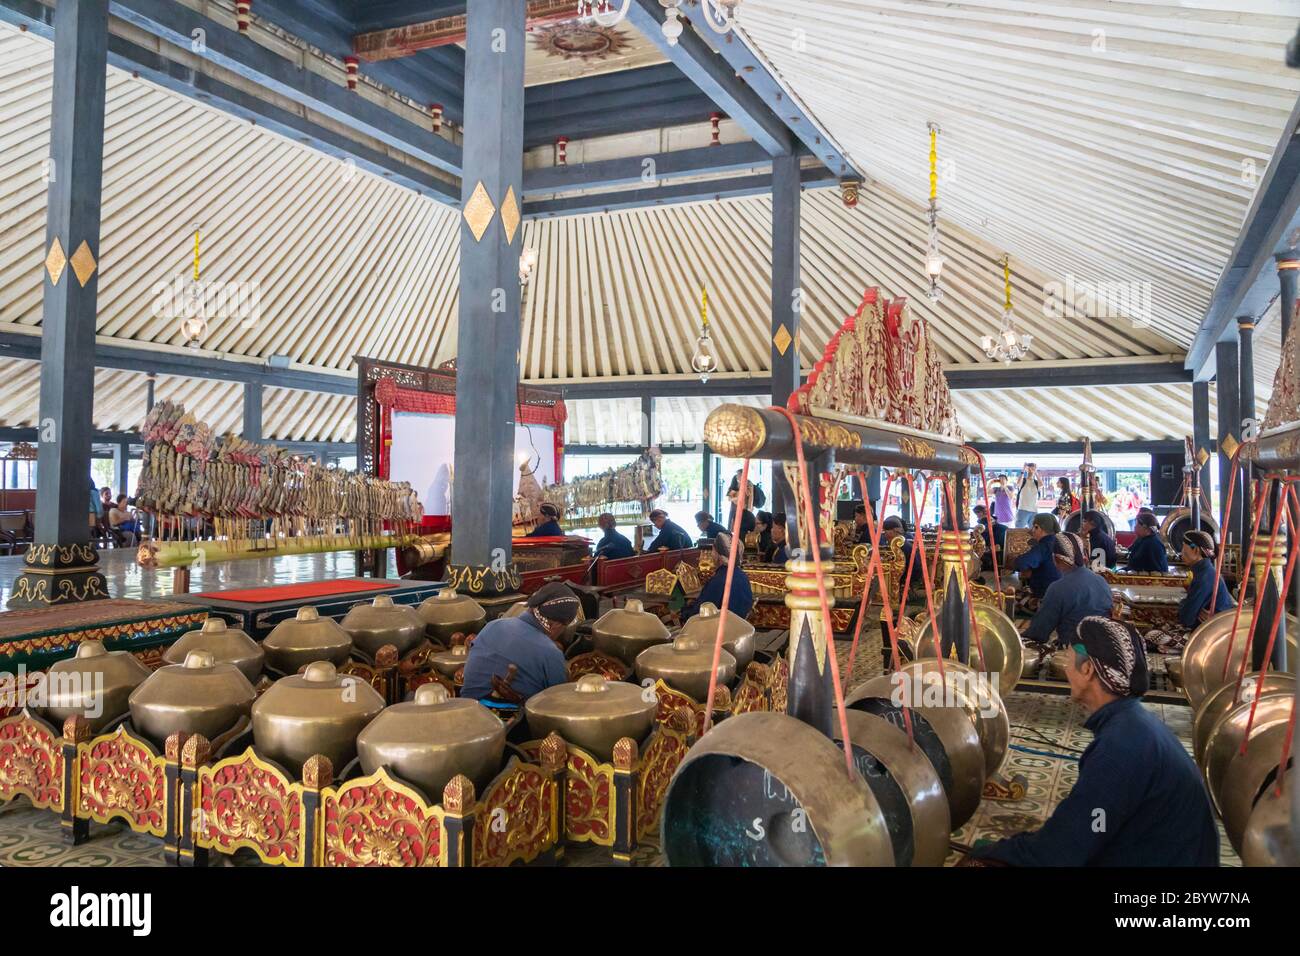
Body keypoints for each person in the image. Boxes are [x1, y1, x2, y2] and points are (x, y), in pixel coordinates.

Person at [966, 616, 1219, 867]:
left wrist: (992, 852)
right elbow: (1095, 822)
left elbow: (1061, 851)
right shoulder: (1134, 724)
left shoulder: (1120, 748)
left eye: (1068, 659)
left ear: (1087, 670)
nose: (1065, 669)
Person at [459, 582, 578, 702]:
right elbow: (559, 704)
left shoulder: (492, 625)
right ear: (556, 625)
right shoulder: (550, 652)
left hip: (467, 712)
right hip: (510, 719)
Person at [1145, 530, 1234, 653]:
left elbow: (1186, 618)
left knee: (1151, 635)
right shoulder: (1204, 571)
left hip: (1211, 634)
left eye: (1183, 548)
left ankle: (1188, 649)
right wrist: (1189, 607)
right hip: (1202, 627)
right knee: (1156, 623)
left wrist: (1186, 606)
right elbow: (1189, 612)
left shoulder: (1205, 576)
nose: (1181, 553)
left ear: (1196, 551)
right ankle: (1178, 648)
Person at [1021, 533, 1114, 648]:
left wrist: (1020, 638)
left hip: (1074, 652)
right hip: (1104, 647)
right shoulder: (1101, 581)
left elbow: (1039, 632)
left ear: (1056, 558)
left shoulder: (1058, 588)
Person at [684, 533, 753, 620]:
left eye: (713, 550)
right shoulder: (743, 576)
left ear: (717, 554)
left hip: (720, 630)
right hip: (739, 628)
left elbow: (700, 613)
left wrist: (684, 612)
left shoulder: (718, 581)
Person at [1012, 513, 1062, 611]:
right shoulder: (1061, 542)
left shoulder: (1043, 546)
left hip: (1046, 600)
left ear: (1038, 527)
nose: (1032, 530)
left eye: (1034, 527)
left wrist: (1016, 561)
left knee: (1004, 599)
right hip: (1063, 596)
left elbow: (1021, 563)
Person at [973, 504, 1007, 573]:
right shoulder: (991, 518)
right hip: (1003, 533)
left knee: (978, 548)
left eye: (977, 514)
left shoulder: (984, 521)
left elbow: (983, 532)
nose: (977, 516)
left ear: (981, 512)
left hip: (996, 537)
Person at [1014, 464, 1042, 528]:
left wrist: (1035, 472)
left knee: (1034, 532)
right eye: (1029, 468)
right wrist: (1023, 470)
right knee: (1019, 531)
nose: (1031, 470)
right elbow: (1018, 483)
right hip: (1022, 510)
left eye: (1033, 468)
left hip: (1034, 511)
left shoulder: (1036, 482)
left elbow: (1041, 485)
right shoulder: (1023, 480)